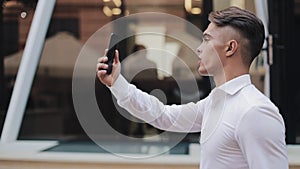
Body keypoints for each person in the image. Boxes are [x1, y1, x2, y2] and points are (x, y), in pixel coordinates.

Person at [96, 6, 288, 169]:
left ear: (230, 48)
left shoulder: (255, 111)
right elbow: (163, 116)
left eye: (206, 39)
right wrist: (117, 82)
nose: (199, 47)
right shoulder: (216, 102)